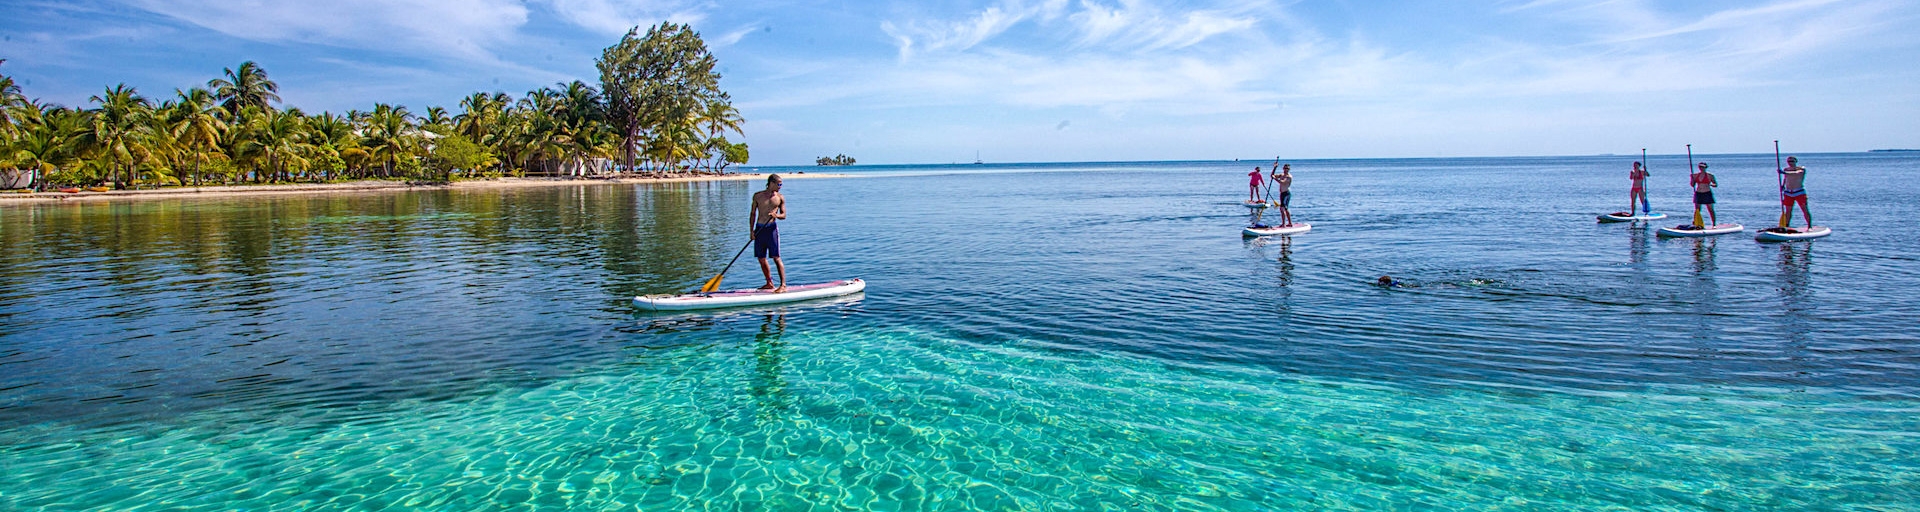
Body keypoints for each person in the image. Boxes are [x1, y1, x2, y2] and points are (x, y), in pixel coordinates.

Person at [749, 174, 787, 292]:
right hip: (760, 229)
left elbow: (784, 215)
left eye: (781, 184)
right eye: (779, 184)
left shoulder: (780, 198)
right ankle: (769, 283)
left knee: (776, 257)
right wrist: (751, 231)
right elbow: (753, 214)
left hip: (772, 230)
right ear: (771, 183)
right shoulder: (758, 196)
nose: (780, 186)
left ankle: (783, 285)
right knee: (761, 258)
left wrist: (777, 215)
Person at [1779, 156, 1812, 228]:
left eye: (1792, 161)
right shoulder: (1786, 169)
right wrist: (1782, 186)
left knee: (1804, 209)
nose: (1790, 163)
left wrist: (1784, 172)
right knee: (1788, 211)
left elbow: (1796, 173)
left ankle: (1809, 226)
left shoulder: (1801, 169)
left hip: (1799, 192)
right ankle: (1787, 226)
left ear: (1796, 162)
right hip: (1788, 192)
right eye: (1789, 161)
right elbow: (1786, 178)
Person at [1689, 162, 1718, 227]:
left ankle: (1714, 224)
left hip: (1707, 193)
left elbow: (1715, 184)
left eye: (1703, 167)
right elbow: (1692, 185)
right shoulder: (1695, 175)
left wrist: (1712, 184)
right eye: (1700, 167)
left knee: (1710, 209)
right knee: (1697, 210)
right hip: (1699, 193)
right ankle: (1696, 223)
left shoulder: (1710, 175)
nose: (1701, 168)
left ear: (1705, 167)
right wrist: (1692, 179)